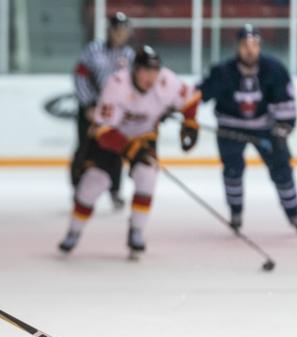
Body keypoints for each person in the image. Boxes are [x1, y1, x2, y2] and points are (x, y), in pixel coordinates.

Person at [58, 46, 201, 259]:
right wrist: (129, 148)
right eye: (145, 70)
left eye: (154, 71)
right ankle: (74, 231)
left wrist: (190, 121)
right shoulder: (117, 84)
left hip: (144, 137)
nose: (150, 77)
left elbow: (191, 97)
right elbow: (104, 131)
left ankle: (136, 232)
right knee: (94, 183)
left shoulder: (166, 81)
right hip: (110, 138)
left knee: (147, 175)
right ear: (134, 69)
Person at [192, 24, 297, 234]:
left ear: (260, 46)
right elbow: (198, 95)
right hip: (230, 128)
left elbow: (286, 101)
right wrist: (184, 112)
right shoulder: (222, 71)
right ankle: (236, 213)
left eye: (254, 44)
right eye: (245, 44)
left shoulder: (274, 69)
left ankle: (294, 215)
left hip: (265, 128)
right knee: (232, 171)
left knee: (282, 169)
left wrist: (283, 129)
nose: (250, 49)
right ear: (237, 46)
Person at [71, 11, 135, 210]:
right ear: (110, 30)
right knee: (85, 149)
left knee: (115, 150)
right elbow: (80, 76)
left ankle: (115, 190)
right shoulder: (93, 50)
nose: (120, 34)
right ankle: (78, 189)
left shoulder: (130, 55)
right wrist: (89, 105)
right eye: (117, 30)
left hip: (115, 113)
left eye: (124, 30)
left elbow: (133, 85)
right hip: (90, 110)